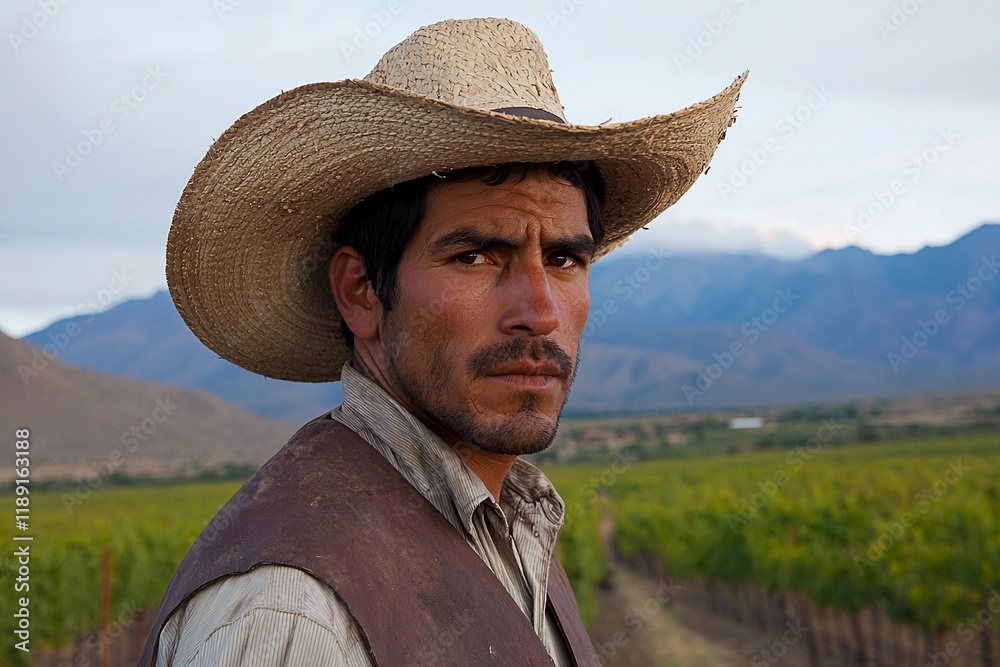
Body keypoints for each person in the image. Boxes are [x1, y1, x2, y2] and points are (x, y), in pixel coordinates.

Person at [138, 17, 745, 667]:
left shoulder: (510, 525)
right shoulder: (293, 615)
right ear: (361, 291)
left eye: (564, 259)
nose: (540, 313)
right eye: (476, 257)